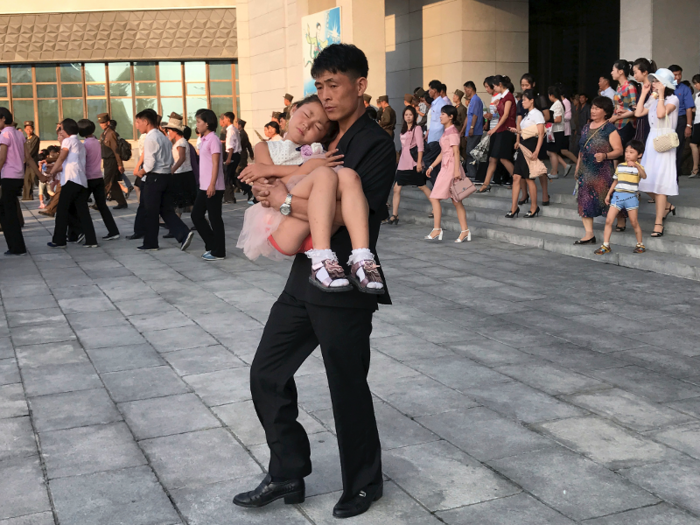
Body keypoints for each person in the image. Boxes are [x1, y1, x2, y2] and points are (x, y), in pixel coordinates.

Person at [232, 43, 394, 520]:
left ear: (360, 86)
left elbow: (345, 215)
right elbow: (292, 183)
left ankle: (364, 483)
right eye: (319, 86)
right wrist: (272, 190)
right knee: (266, 372)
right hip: (304, 277)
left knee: (346, 384)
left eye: (334, 85)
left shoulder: (374, 144)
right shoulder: (321, 140)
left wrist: (280, 199)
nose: (324, 96)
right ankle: (287, 471)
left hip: (345, 281)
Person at [133, 108, 194, 251]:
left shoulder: (151, 138)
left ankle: (150, 243)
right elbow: (171, 159)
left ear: (146, 122)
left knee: (150, 212)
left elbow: (149, 164)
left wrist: (140, 172)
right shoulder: (163, 137)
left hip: (154, 178)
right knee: (165, 210)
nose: (136, 125)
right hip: (166, 177)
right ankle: (184, 233)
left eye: (138, 122)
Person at [635, 68, 679, 238]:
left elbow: (661, 114)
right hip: (652, 140)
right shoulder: (653, 99)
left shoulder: (673, 98)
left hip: (665, 142)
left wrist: (659, 95)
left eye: (656, 82)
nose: (653, 84)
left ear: (665, 84)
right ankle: (666, 206)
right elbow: (639, 113)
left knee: (660, 183)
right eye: (653, 81)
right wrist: (644, 93)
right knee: (644, 178)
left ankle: (659, 222)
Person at [573, 96, 622, 244]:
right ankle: (589, 234)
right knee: (584, 201)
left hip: (603, 172)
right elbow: (582, 149)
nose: (593, 111)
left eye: (597, 108)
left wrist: (606, 155)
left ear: (605, 111)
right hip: (586, 171)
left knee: (608, 199)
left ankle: (621, 219)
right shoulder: (586, 127)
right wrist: (577, 167)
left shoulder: (610, 129)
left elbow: (619, 150)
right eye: (592, 108)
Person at [44, 118, 99, 249]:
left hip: (71, 180)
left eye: (60, 128)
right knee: (83, 212)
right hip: (80, 181)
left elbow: (62, 157)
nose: (59, 131)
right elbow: (68, 163)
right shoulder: (79, 143)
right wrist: (54, 168)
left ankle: (59, 240)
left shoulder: (68, 141)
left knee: (62, 211)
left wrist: (51, 174)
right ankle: (91, 240)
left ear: (65, 129)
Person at [424, 105, 471, 242]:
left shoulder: (453, 132)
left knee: (436, 197)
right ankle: (464, 230)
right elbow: (443, 152)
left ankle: (437, 229)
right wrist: (432, 166)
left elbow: (456, 152)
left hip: (451, 168)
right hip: (446, 167)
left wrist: (456, 170)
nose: (440, 116)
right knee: (456, 201)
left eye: (443, 114)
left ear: (451, 116)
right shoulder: (446, 132)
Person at [595, 140, 647, 255]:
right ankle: (606, 245)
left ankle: (640, 244)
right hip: (618, 196)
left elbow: (644, 176)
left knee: (634, 222)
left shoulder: (639, 167)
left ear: (639, 155)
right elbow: (616, 181)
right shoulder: (620, 166)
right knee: (609, 220)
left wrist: (637, 167)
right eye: (627, 151)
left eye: (631, 152)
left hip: (631, 198)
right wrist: (609, 194)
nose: (628, 154)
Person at [191, 109, 226, 261]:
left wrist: (212, 184)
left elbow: (216, 164)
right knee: (196, 215)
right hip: (203, 186)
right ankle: (212, 245)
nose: (197, 124)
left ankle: (219, 251)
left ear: (207, 123)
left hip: (213, 186)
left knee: (215, 218)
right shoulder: (204, 139)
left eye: (199, 121)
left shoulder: (213, 140)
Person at [0, 108, 36, 255]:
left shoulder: (4, 134)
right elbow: (28, 158)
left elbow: (2, 158)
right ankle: (16, 246)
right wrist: (40, 175)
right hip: (18, 177)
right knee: (8, 212)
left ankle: (16, 247)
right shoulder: (19, 134)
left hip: (8, 177)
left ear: (2, 118)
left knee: (7, 215)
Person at [78, 119, 120, 241]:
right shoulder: (97, 141)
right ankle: (113, 231)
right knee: (102, 206)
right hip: (98, 177)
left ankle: (82, 231)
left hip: (88, 178)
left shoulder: (84, 145)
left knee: (80, 206)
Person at [508, 89, 545, 218]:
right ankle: (514, 207)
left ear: (532, 100)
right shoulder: (527, 114)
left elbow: (541, 133)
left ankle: (534, 207)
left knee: (529, 178)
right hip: (523, 145)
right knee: (516, 177)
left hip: (531, 146)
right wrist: (517, 132)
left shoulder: (537, 114)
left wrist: (537, 151)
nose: (522, 102)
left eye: (524, 99)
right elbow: (527, 131)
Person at [389, 105, 429, 224]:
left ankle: (436, 205)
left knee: (422, 186)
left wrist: (418, 163)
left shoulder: (417, 128)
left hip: (412, 162)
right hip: (403, 162)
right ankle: (394, 215)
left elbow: (420, 147)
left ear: (414, 116)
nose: (408, 117)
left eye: (410, 115)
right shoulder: (403, 129)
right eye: (406, 115)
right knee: (396, 188)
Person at [478, 75, 516, 192]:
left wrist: (494, 129)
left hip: (506, 131)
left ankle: (518, 179)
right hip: (500, 130)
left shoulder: (508, 97)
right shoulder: (503, 97)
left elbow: (505, 116)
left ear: (500, 85)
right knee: (493, 158)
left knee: (503, 158)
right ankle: (486, 183)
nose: (494, 88)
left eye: (494, 86)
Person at [163, 113, 196, 213]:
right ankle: (177, 225)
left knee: (186, 202)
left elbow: (182, 158)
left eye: (169, 131)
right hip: (180, 174)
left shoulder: (181, 142)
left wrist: (172, 169)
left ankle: (199, 220)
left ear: (175, 131)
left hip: (183, 175)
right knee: (180, 203)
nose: (169, 133)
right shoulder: (178, 142)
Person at [97, 113, 128, 210]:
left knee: (106, 182)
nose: (101, 124)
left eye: (103, 122)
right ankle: (122, 202)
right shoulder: (104, 134)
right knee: (113, 182)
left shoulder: (111, 133)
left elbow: (116, 150)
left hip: (112, 161)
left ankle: (99, 203)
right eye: (100, 123)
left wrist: (120, 164)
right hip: (106, 160)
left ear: (108, 122)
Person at [669, 65, 694, 177]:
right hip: (667, 120)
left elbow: (689, 108)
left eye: (679, 74)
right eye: (675, 75)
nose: (678, 77)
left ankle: (675, 174)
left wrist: (688, 125)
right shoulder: (665, 87)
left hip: (680, 120)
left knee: (678, 147)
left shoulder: (685, 89)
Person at [609, 60, 638, 155]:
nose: (611, 72)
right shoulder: (619, 87)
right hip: (617, 123)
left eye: (613, 70)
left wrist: (616, 117)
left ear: (620, 71)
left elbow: (634, 108)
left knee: (624, 151)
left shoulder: (630, 87)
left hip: (626, 124)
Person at [423, 80, 448, 184]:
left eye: (430, 89)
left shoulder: (441, 104)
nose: (429, 91)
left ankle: (437, 183)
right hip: (432, 137)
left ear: (435, 90)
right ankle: (438, 184)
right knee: (434, 162)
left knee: (428, 160)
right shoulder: (434, 104)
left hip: (438, 137)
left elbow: (443, 122)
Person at [546, 86, 573, 179]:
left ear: (551, 95)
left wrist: (548, 120)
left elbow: (558, 119)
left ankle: (554, 172)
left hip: (557, 131)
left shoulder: (557, 104)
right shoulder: (558, 103)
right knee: (551, 152)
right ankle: (563, 166)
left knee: (552, 152)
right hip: (556, 131)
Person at [461, 81, 484, 181]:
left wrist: (471, 128)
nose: (465, 92)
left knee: (471, 152)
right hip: (470, 130)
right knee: (469, 151)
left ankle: (473, 173)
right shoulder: (472, 100)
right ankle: (471, 172)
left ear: (470, 89)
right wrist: (463, 130)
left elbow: (475, 115)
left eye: (466, 90)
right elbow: (468, 116)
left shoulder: (475, 100)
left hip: (475, 131)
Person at [110, 119, 134, 199]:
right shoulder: (117, 134)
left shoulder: (112, 134)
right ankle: (128, 186)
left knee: (112, 177)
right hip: (118, 158)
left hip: (114, 158)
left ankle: (125, 189)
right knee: (120, 174)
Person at [22, 120, 40, 201]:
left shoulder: (35, 138)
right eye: (27, 129)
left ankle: (47, 193)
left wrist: (24, 159)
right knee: (27, 179)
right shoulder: (25, 139)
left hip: (32, 161)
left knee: (35, 178)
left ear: (33, 129)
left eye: (30, 129)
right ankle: (27, 197)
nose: (28, 131)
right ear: (25, 130)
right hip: (26, 162)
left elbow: (32, 150)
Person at [690, 74, 700, 178]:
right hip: (697, 121)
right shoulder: (697, 95)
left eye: (696, 83)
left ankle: (695, 168)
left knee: (693, 144)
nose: (695, 86)